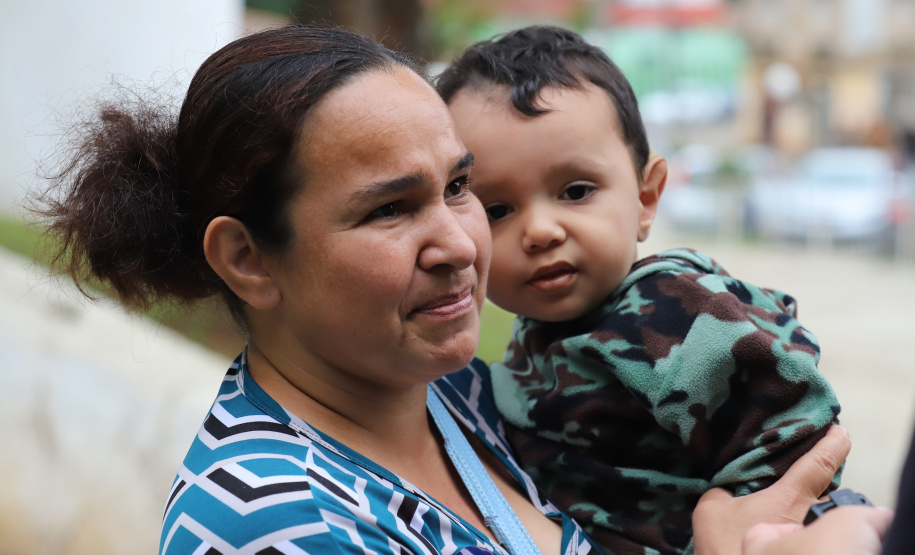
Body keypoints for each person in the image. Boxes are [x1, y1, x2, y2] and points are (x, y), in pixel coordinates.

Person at [31, 23, 864, 555]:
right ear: (247, 258)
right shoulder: (277, 522)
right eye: (390, 208)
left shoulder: (466, 397)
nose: (462, 243)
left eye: (459, 187)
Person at [436, 25, 842, 554]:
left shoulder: (673, 312)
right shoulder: (537, 334)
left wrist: (760, 535)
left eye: (575, 191)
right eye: (497, 210)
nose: (540, 231)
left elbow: (795, 424)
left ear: (647, 198)